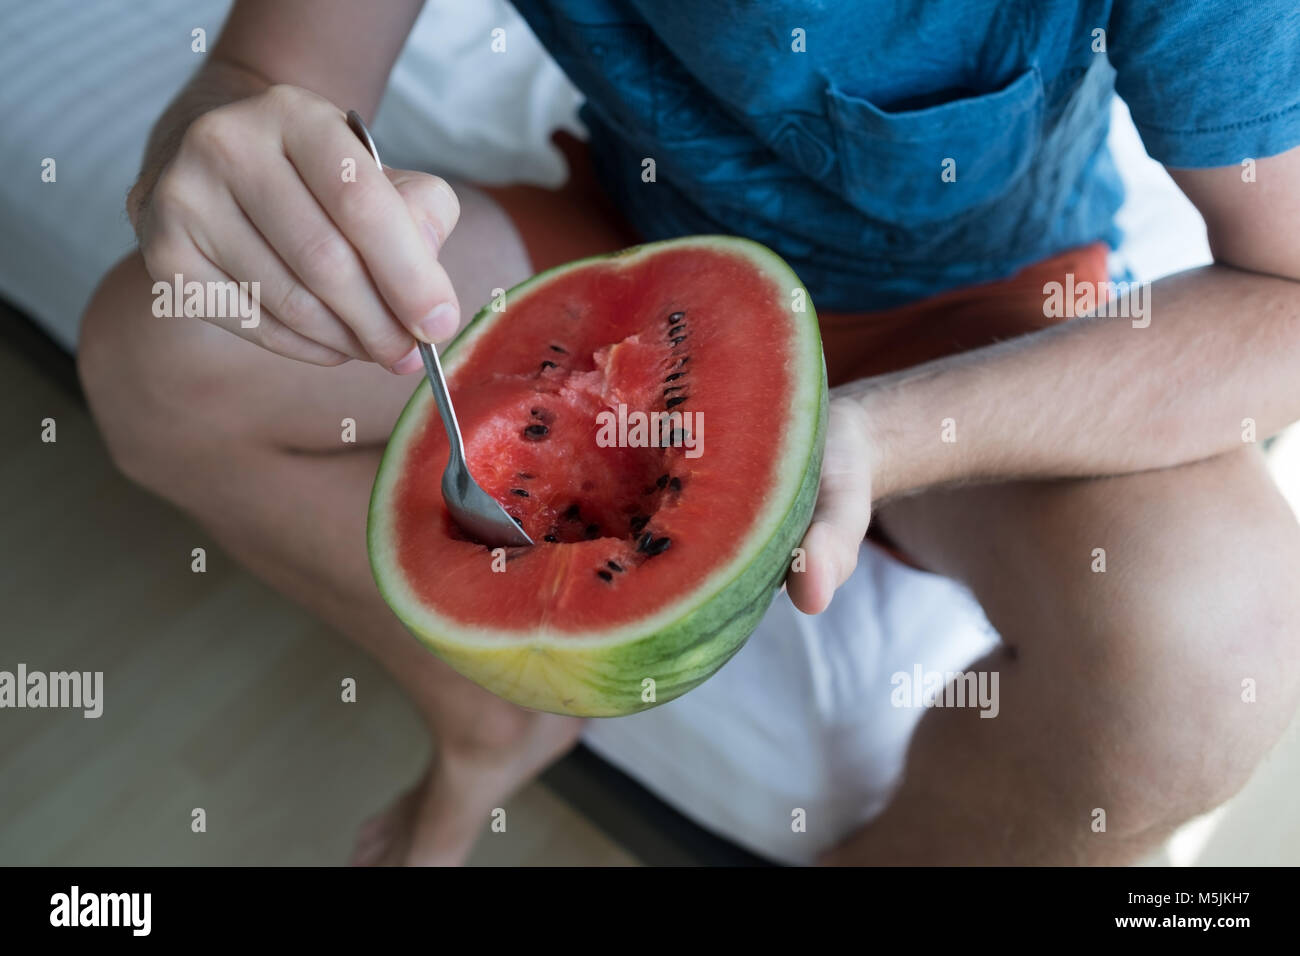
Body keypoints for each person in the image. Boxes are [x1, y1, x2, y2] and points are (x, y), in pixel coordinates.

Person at [78, 0, 1300, 865]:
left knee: (1212, 647)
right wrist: (205, 158)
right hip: (634, 250)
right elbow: (263, 74)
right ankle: (490, 713)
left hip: (969, 320)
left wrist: (886, 435)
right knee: (160, 346)